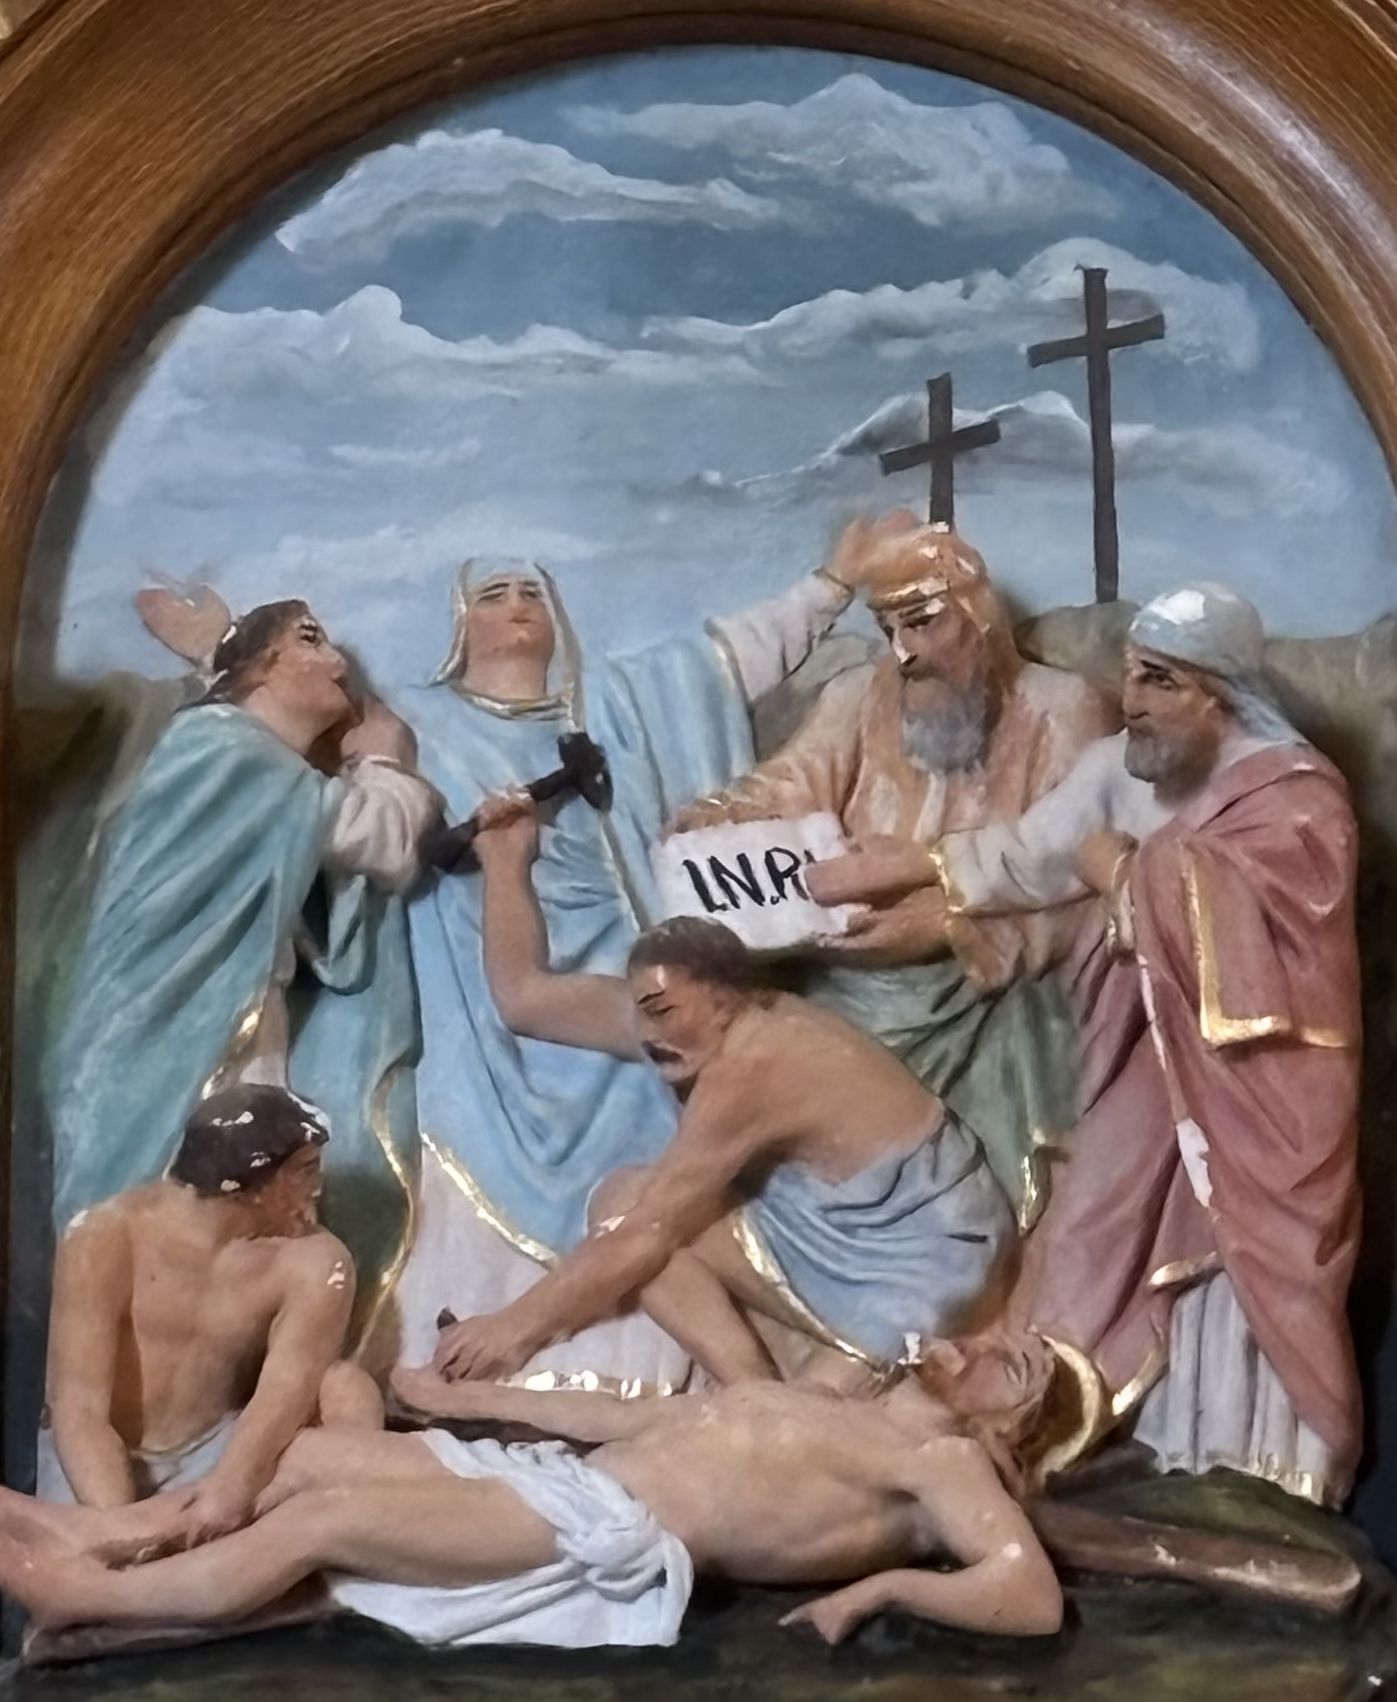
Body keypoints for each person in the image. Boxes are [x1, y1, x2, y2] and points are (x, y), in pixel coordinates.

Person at [883, 583, 1363, 1506]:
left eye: (1158, 682)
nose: (1130, 700)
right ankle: (1117, 1424)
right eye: (1131, 675)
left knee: (1244, 1250)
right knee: (1092, 1219)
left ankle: (1262, 1459)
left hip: (1261, 1083)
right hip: (1148, 1048)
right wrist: (909, 871)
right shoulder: (1123, 768)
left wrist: (1120, 871)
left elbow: (1277, 954)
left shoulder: (1297, 799)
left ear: (1220, 694)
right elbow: (1027, 853)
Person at [389, 531, 893, 1377]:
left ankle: (655, 1371)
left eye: (531, 592)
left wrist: (833, 582)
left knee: (662, 1150)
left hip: (626, 963)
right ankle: (509, 1361)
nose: (517, 608)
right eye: (492, 595)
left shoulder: (617, 703)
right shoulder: (420, 722)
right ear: (458, 625)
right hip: (492, 985)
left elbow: (722, 661)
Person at [0, 1335, 1065, 1648]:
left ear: (1010, 1423)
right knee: (310, 1457)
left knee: (324, 1519)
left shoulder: (944, 1464)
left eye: (1009, 1366)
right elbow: (632, 1420)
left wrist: (878, 1591)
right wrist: (466, 1400)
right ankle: (101, 1531)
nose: (977, 1346)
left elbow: (1025, 1595)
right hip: (566, 1480)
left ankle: (87, 1595)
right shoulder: (847, 1404)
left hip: (609, 1529)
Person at [434, 817, 1014, 1384]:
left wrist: (512, 1330)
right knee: (621, 1200)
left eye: (663, 1011)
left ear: (726, 997)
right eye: (642, 1008)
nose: (649, 1033)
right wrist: (506, 857)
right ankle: (750, 1388)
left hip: (931, 1254)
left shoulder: (754, 1061)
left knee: (816, 1413)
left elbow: (647, 1232)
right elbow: (526, 999)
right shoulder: (682, 1026)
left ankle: (758, 1401)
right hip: (832, 1219)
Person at [673, 520, 1115, 1229]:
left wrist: (946, 924)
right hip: (843, 970)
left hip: (979, 988)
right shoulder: (860, 695)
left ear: (976, 615)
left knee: (1028, 1052)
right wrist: (724, 815)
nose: (903, 652)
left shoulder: (1061, 708)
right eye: (888, 629)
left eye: (922, 622)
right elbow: (790, 782)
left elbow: (1079, 874)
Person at [44, 598, 439, 1315]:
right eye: (310, 641)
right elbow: (380, 841)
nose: (338, 663)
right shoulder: (227, 749)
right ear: (259, 668)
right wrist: (385, 759)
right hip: (180, 1027)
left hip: (227, 1017)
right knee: (168, 1214)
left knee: (237, 1226)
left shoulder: (250, 763)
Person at [39, 1085, 382, 1548]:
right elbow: (78, 1408)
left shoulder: (318, 1262)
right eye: (304, 1170)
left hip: (219, 1452)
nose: (318, 1188)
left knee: (348, 1387)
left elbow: (285, 1392)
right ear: (253, 1182)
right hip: (97, 1460)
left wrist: (229, 1489)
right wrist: (121, 1527)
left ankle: (331, 1540)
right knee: (100, 1547)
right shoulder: (103, 1235)